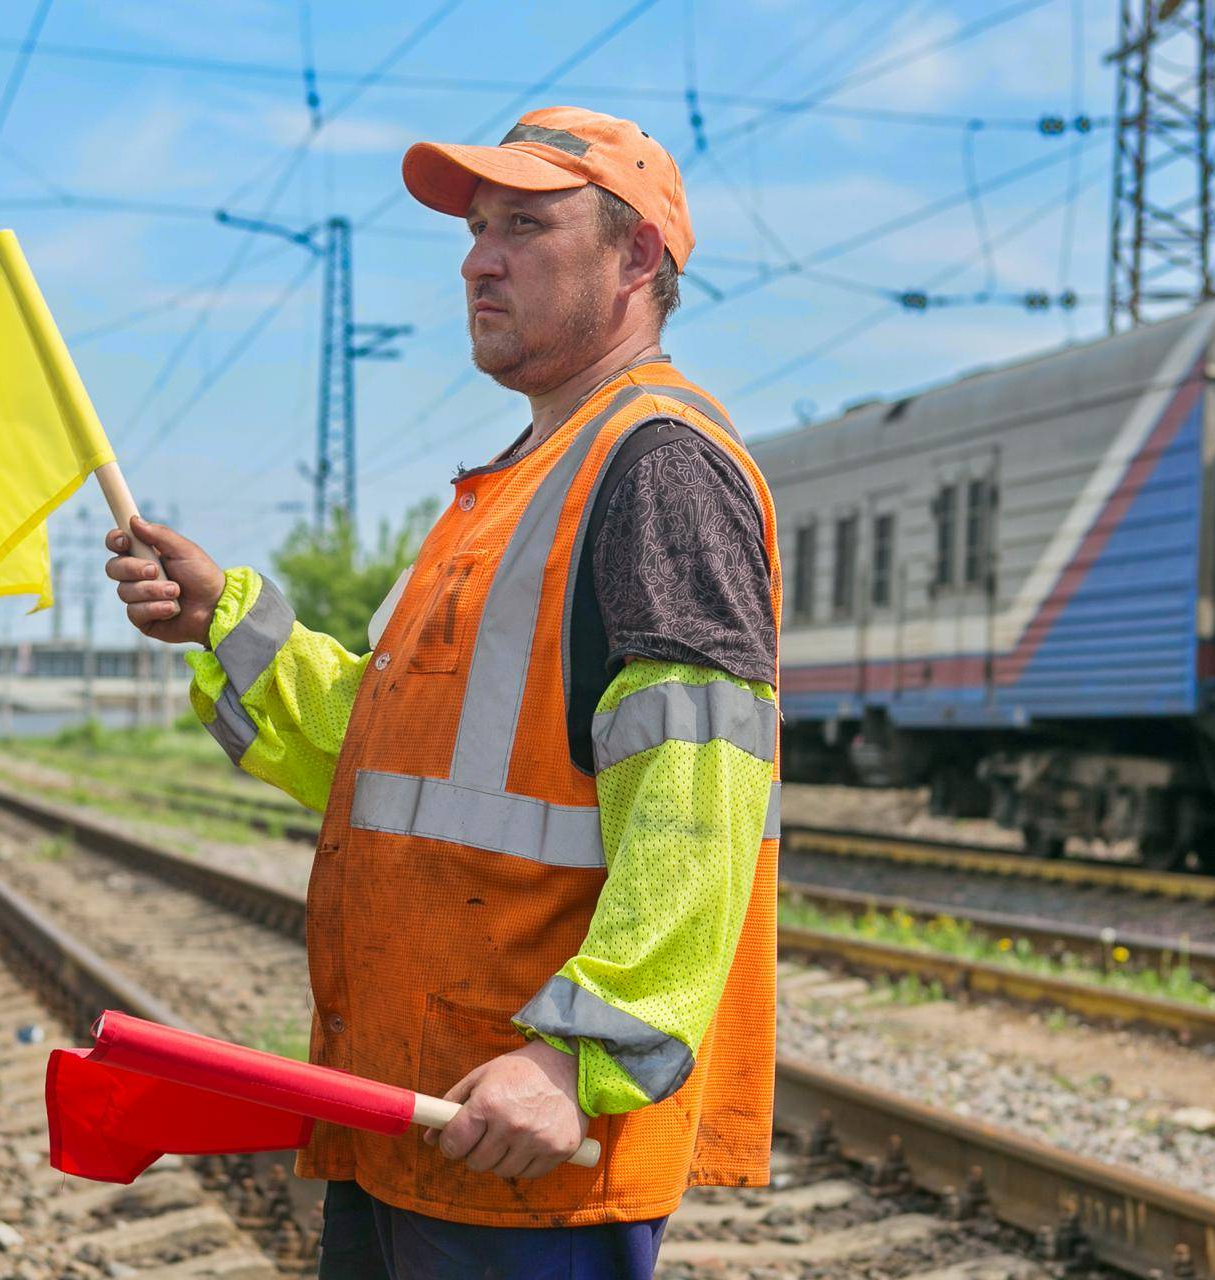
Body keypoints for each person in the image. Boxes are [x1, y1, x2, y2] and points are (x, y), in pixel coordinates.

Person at [104, 106, 780, 1280]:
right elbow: (383, 759)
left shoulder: (659, 464)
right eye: (475, 228)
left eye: (526, 222)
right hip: (409, 1109)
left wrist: (576, 1059)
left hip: (522, 1136)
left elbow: (699, 794)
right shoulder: (512, 489)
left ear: (636, 258)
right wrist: (224, 616)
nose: (479, 257)